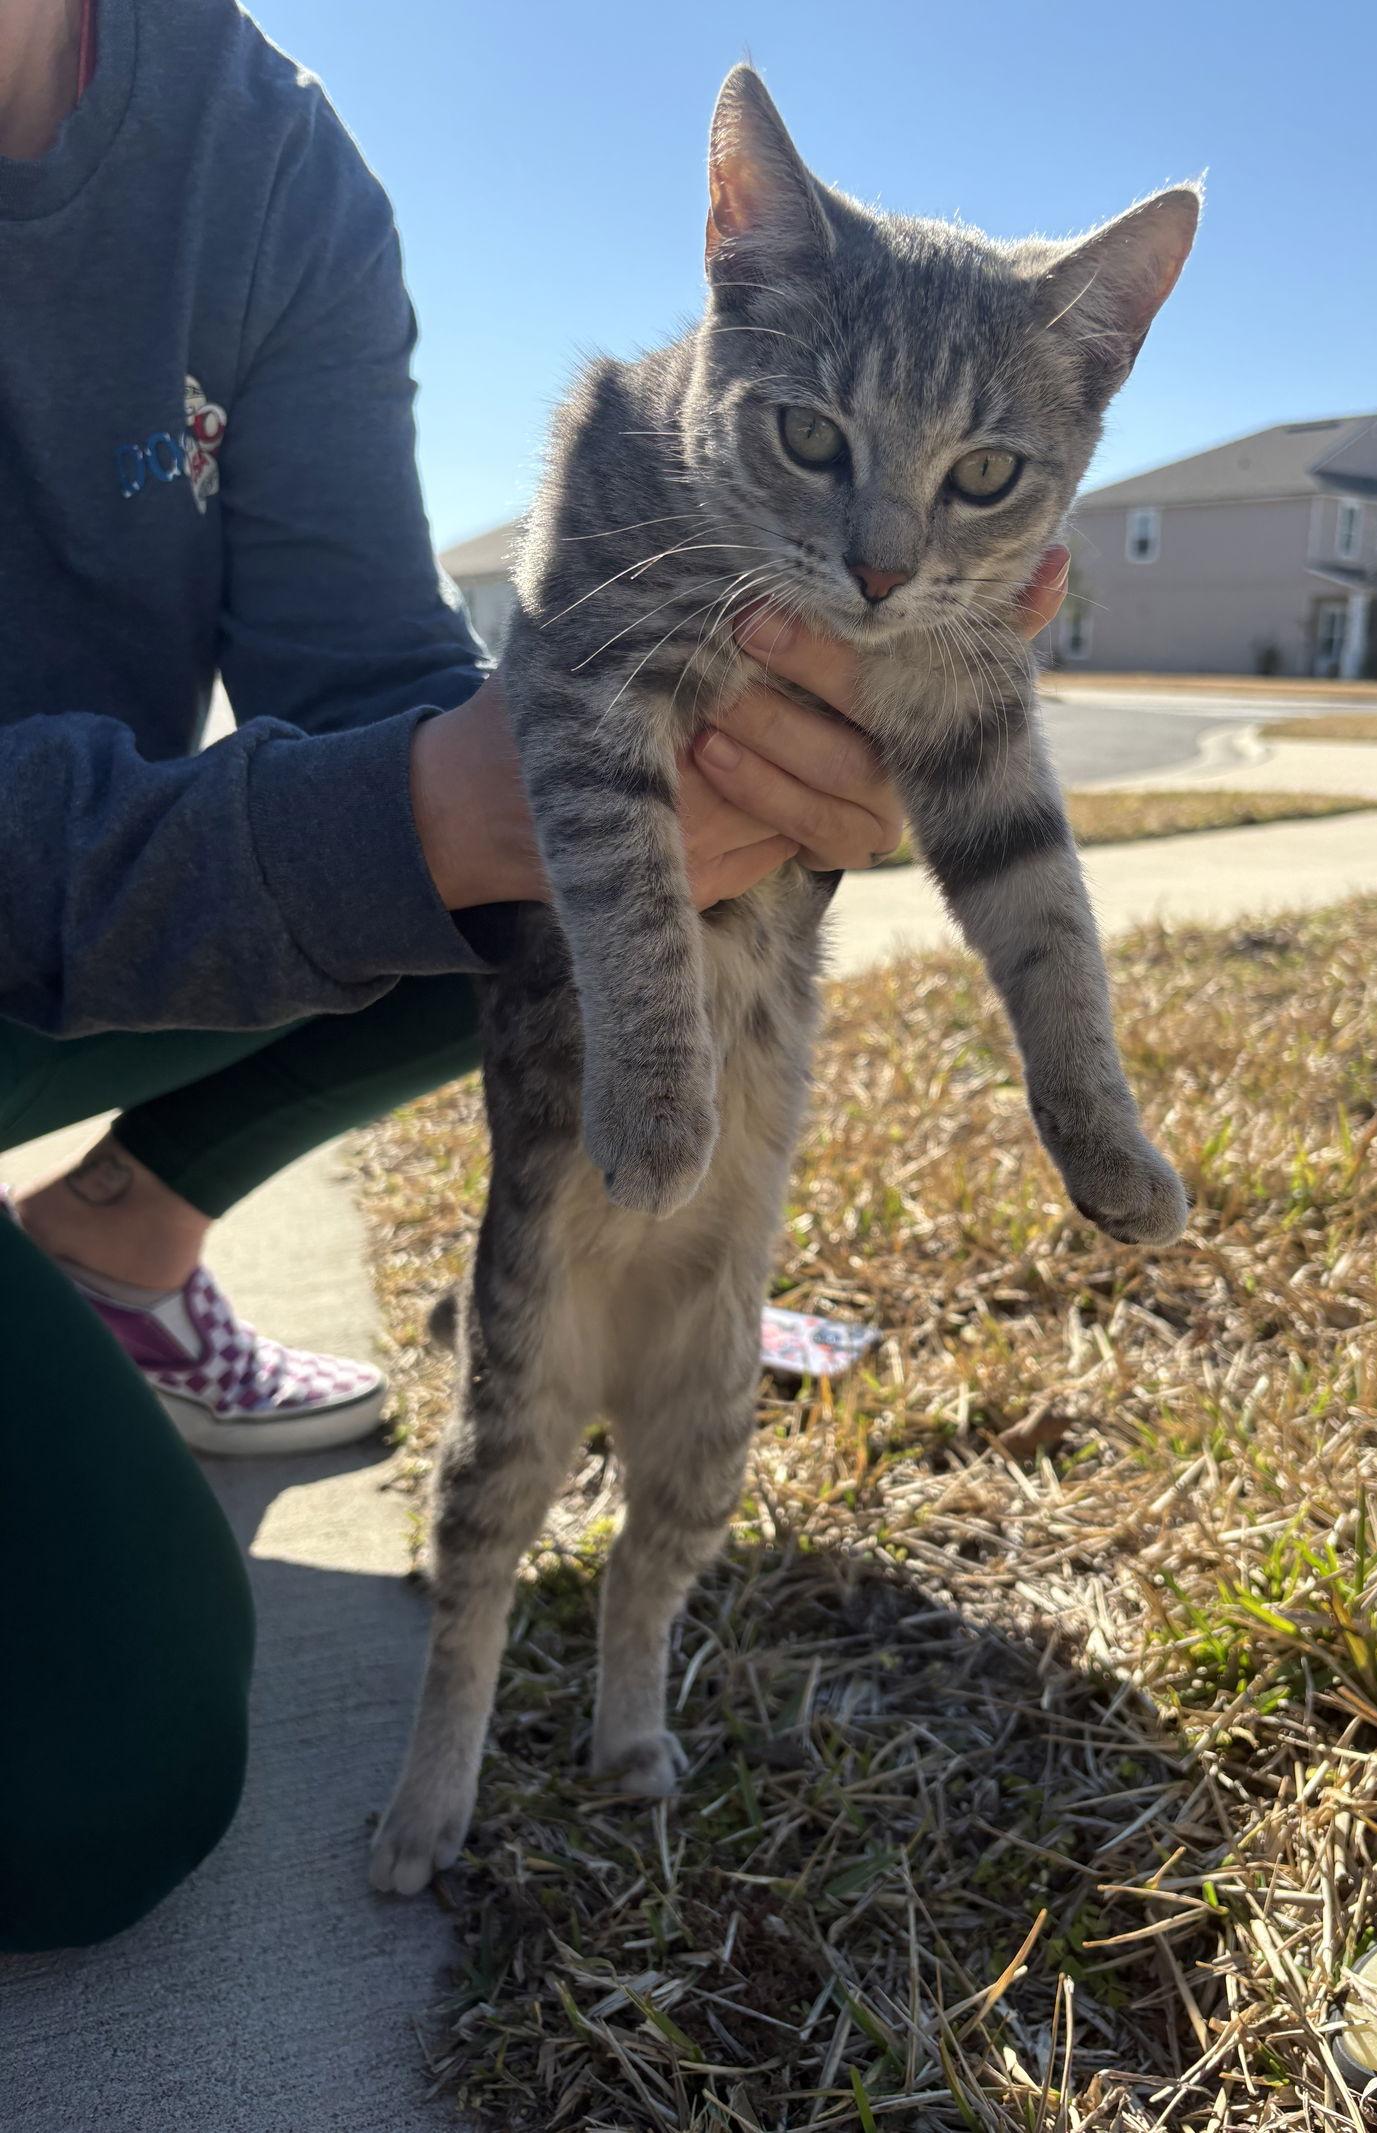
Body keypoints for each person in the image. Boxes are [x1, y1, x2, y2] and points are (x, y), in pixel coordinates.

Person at [0, 0, 1067, 1950]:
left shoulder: (258, 153)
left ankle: (112, 1234)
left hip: (74, 894)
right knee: (73, 1784)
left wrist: (691, 741)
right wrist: (432, 810)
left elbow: (369, 686)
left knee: (116, 1779)